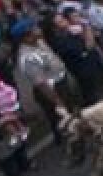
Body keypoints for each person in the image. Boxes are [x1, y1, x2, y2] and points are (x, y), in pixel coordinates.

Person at [12, 19, 76, 153]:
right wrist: (57, 101)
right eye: (34, 28)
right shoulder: (28, 58)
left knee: (70, 110)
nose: (38, 29)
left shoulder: (39, 42)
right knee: (59, 116)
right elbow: (41, 83)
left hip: (60, 81)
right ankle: (67, 143)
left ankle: (74, 134)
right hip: (50, 90)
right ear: (27, 36)